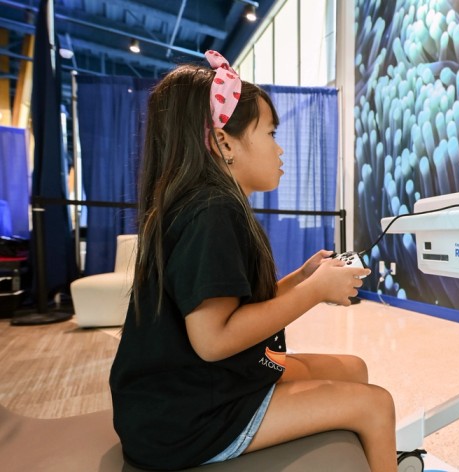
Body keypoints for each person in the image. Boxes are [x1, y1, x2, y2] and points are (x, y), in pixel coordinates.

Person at [109, 51, 397, 471]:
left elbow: (229, 307)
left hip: (188, 393)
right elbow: (213, 340)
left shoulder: (206, 204)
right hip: (186, 419)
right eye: (271, 134)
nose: (280, 150)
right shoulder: (212, 211)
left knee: (353, 368)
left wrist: (302, 279)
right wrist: (316, 292)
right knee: (376, 405)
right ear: (224, 142)